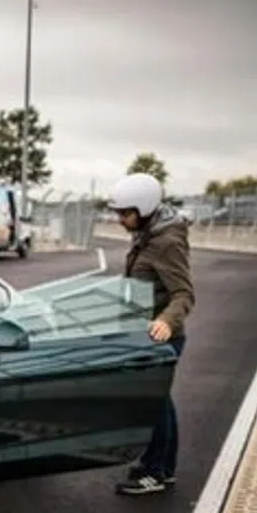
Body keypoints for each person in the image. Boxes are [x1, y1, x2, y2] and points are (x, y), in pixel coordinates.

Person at [108, 173, 195, 495]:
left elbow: (184, 294)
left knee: (154, 400)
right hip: (143, 333)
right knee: (158, 401)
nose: (120, 220)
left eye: (124, 213)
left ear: (143, 210)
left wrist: (167, 322)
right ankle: (160, 466)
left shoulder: (166, 243)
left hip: (162, 335)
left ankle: (156, 473)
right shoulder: (148, 233)